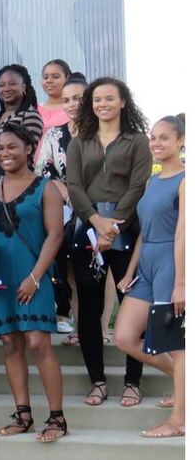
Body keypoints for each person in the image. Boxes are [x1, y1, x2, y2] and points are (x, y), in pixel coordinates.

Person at [0, 123, 68, 442]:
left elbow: (55, 235)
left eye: (12, 146)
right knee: (10, 344)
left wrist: (35, 277)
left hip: (33, 274)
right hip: (0, 277)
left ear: (28, 149)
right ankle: (23, 415)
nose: (4, 153)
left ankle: (57, 419)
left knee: (38, 344)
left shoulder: (46, 187)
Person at [65, 77, 150, 408]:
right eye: (97, 99)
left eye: (109, 99)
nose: (102, 104)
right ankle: (97, 381)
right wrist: (96, 222)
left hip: (125, 231)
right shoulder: (79, 142)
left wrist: (113, 226)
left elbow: (138, 185)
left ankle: (133, 381)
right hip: (87, 229)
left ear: (123, 102)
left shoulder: (137, 141)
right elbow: (73, 186)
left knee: (132, 305)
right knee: (88, 308)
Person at [113, 114, 185, 437]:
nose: (156, 143)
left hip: (172, 263)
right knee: (124, 337)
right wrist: (130, 271)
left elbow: (184, 235)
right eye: (153, 137)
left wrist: (182, 283)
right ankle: (186, 387)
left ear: (181, 141)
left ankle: (180, 421)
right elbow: (144, 232)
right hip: (146, 265)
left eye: (164, 138)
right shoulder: (153, 180)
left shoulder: (186, 181)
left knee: (178, 346)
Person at [36, 73, 88, 338]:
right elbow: (43, 170)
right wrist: (68, 193)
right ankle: (79, 327)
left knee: (100, 271)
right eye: (66, 99)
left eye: (78, 98)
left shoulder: (101, 133)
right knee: (70, 268)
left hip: (98, 209)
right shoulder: (54, 134)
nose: (72, 104)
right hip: (65, 207)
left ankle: (99, 328)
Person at [0, 64, 44, 190]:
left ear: (23, 87)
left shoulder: (30, 116)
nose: (7, 88)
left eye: (12, 84)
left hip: (18, 185)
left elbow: (27, 156)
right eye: (2, 85)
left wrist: (8, 185)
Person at [37, 60, 72, 161]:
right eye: (45, 77)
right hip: (36, 170)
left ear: (67, 77)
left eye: (55, 77)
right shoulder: (35, 110)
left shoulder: (73, 110)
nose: (49, 81)